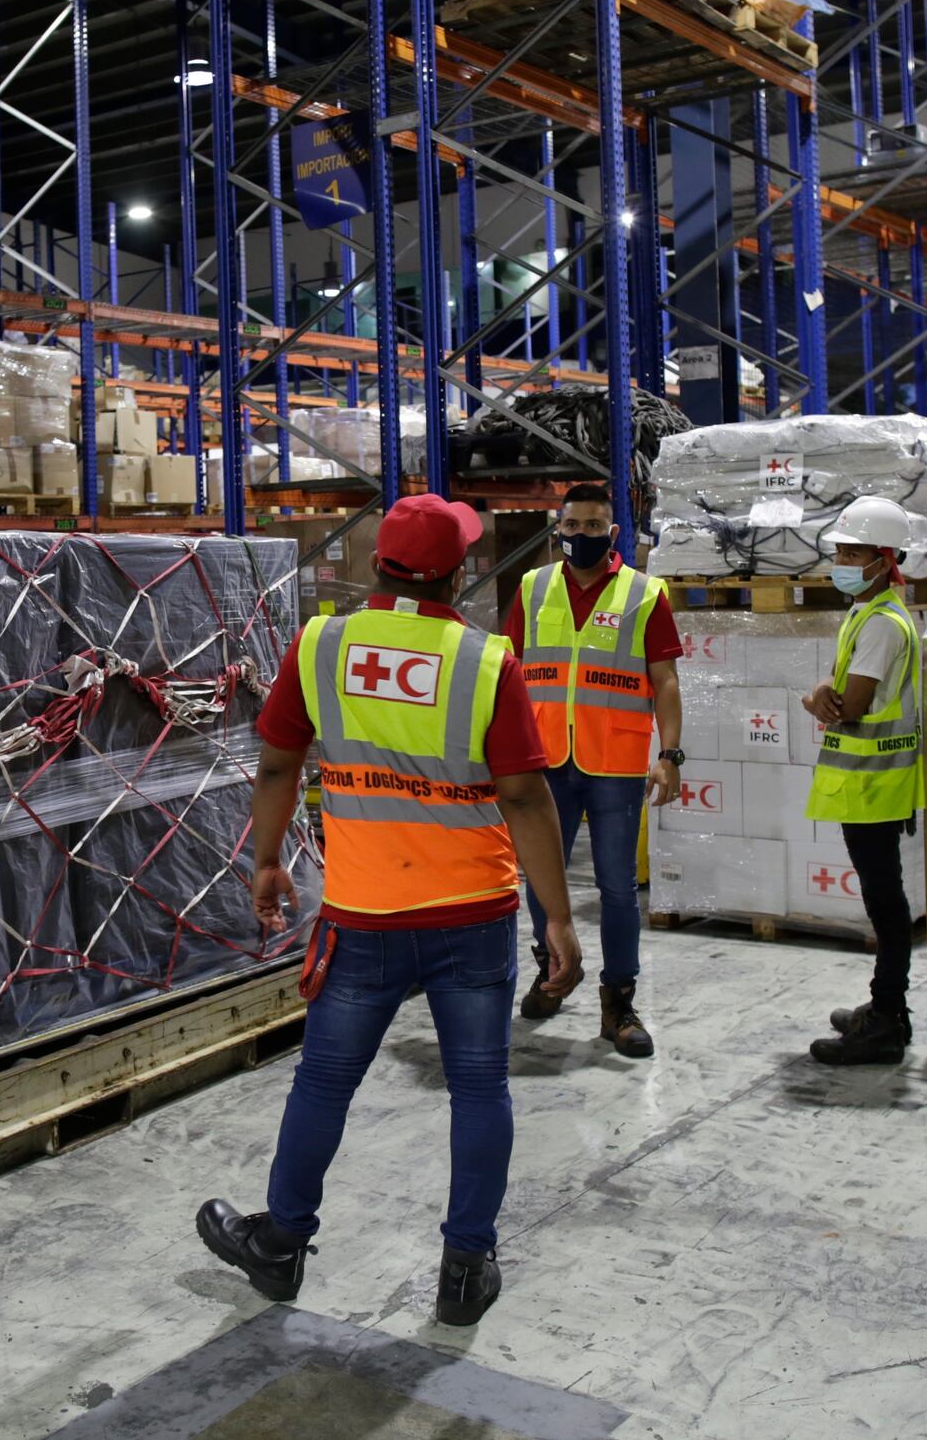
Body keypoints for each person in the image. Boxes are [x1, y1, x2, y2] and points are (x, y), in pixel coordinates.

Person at [198, 493, 581, 1329]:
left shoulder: (322, 645)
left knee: (325, 1083)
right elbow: (523, 794)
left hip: (363, 916)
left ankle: (281, 1242)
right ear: (460, 572)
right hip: (473, 913)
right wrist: (556, 916)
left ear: (377, 567)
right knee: (480, 1089)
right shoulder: (486, 661)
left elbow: (275, 767)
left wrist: (266, 861)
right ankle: (465, 1267)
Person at [503, 482, 683, 1059]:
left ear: (614, 531)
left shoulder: (643, 593)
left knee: (616, 889)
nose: (581, 535)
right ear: (558, 529)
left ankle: (618, 1003)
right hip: (544, 763)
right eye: (572, 525)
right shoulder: (532, 589)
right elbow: (507, 673)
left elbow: (666, 682)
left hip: (615, 763)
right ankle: (553, 972)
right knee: (539, 880)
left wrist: (669, 753)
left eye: (593, 525)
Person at [801, 496, 925, 1067]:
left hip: (874, 784)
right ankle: (886, 1011)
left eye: (855, 552)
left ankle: (886, 1020)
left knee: (885, 902)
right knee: (884, 899)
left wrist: (814, 697)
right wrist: (828, 688)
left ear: (885, 558)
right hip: (868, 784)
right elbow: (843, 684)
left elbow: (849, 704)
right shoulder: (866, 612)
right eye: (841, 550)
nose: (843, 560)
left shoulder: (882, 624)